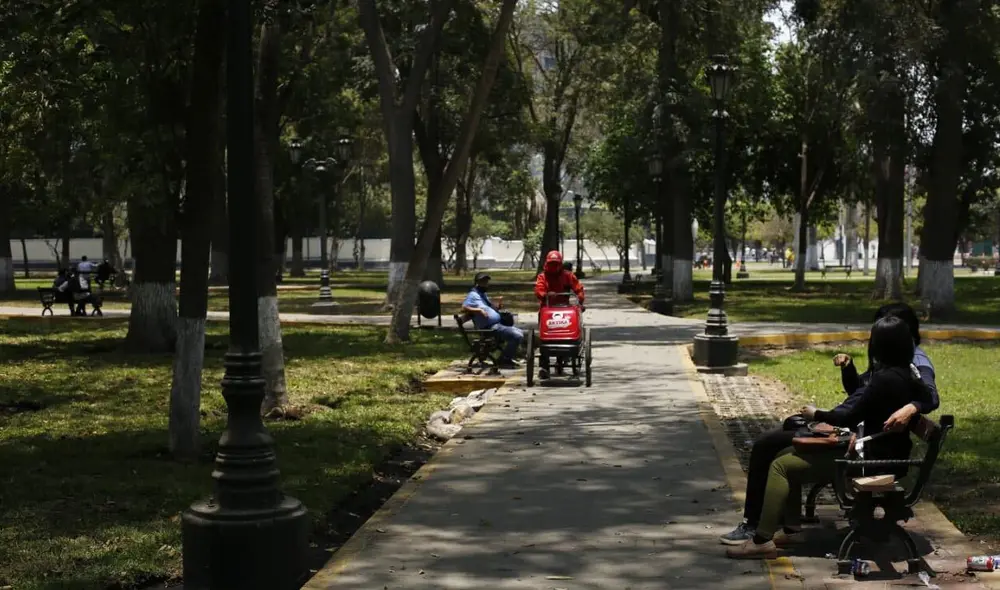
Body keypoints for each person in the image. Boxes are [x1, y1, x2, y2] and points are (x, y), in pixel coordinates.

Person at [718, 301, 938, 546]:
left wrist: (816, 414)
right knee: (785, 447)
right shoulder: (903, 370)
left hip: (868, 458)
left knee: (780, 464)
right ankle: (786, 529)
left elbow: (850, 415)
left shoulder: (892, 375)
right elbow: (881, 398)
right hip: (874, 450)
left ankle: (760, 539)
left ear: (880, 343)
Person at [462, 272, 522, 369]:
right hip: (489, 328)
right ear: (477, 283)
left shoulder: (482, 294)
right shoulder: (473, 295)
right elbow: (464, 308)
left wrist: (497, 307)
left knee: (519, 332)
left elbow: (488, 307)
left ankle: (505, 358)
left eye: (486, 282)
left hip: (495, 325)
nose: (486, 284)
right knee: (517, 335)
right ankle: (504, 360)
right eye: (483, 282)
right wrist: (479, 310)